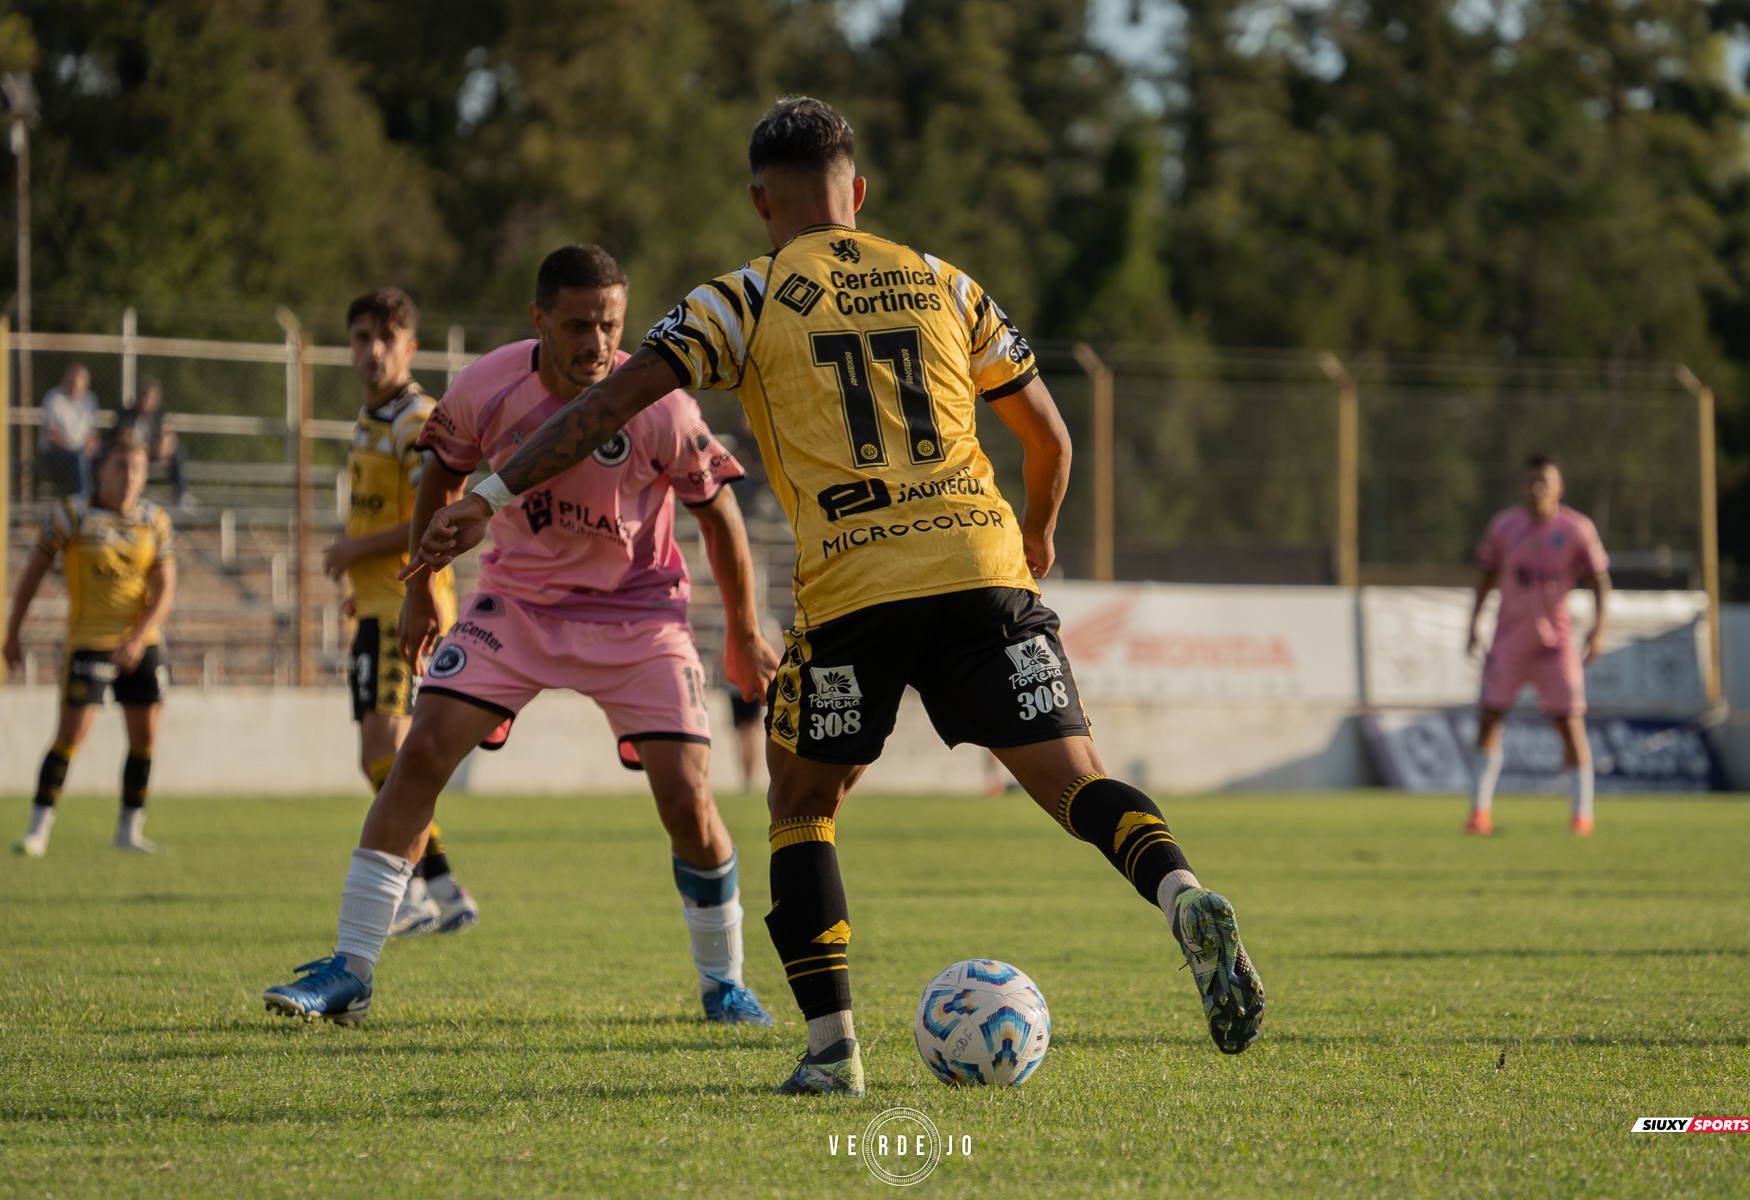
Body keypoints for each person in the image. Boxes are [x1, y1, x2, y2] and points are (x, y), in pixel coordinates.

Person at [409, 98, 1266, 1095]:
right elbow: (1051, 439)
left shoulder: (745, 296)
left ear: (760, 200)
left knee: (802, 807)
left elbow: (603, 406)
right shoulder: (946, 283)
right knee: (1076, 784)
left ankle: (832, 1051)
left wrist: (488, 496)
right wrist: (1032, 534)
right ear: (857, 194)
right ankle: (1182, 894)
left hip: (857, 590)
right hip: (983, 569)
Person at [261, 245, 781, 1028]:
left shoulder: (659, 400)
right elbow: (439, 468)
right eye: (577, 325)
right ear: (539, 320)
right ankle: (351, 969)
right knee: (422, 751)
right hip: (519, 605)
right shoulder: (487, 385)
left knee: (688, 799)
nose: (597, 343)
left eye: (609, 324)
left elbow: (719, 515)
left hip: (638, 616)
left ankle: (725, 983)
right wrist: (424, 591)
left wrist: (742, 630)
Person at [323, 288, 477, 937]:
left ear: (409, 347)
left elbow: (435, 510)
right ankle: (443, 891)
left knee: (384, 752)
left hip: (405, 608)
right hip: (377, 602)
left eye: (385, 339)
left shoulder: (416, 420)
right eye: (361, 338)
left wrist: (359, 549)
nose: (371, 350)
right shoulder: (371, 420)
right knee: (384, 756)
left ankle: (412, 890)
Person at [6, 433, 175, 856]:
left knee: (145, 735)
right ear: (101, 469)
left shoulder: (154, 520)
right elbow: (33, 573)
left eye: (137, 468)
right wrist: (12, 631)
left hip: (141, 642)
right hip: (89, 641)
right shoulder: (71, 514)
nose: (129, 476)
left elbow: (166, 587)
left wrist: (139, 638)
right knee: (72, 731)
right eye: (120, 466)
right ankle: (38, 829)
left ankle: (129, 830)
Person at [1464, 454, 1611, 836]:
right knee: (1489, 720)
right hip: (1509, 640)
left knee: (1569, 723)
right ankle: (1479, 813)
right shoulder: (1504, 526)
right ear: (1521, 486)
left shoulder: (1577, 528)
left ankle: (1582, 814)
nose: (1537, 488)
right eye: (1530, 481)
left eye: (1544, 481)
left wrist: (1598, 631)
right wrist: (1472, 624)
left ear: (1559, 487)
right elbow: (1485, 576)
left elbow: (1599, 581)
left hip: (1555, 644)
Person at [119, 379, 194, 511]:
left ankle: (180, 495)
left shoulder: (157, 418)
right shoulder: (127, 414)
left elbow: (167, 439)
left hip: (151, 454)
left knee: (178, 450)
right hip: (131, 454)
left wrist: (162, 447)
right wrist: (147, 448)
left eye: (151, 398)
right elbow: (126, 438)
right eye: (144, 397)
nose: (146, 402)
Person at [39, 364, 99, 498]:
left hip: (81, 452)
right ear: (65, 380)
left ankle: (104, 501)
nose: (74, 387)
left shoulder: (90, 400)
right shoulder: (54, 398)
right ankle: (85, 501)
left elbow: (93, 433)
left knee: (108, 457)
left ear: (85, 384)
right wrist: (74, 448)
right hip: (55, 452)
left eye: (78, 384)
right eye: (71, 382)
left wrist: (91, 446)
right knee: (78, 459)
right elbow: (51, 433)